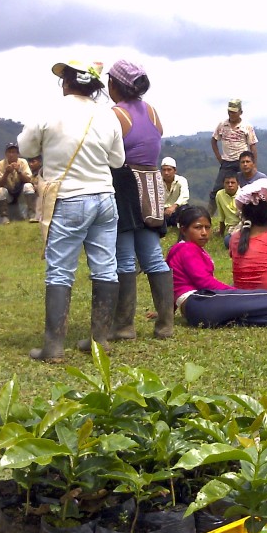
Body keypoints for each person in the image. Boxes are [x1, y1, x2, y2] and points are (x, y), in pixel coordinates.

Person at [18, 59, 125, 362]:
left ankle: (53, 347)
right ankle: (99, 341)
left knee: (60, 272)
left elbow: (25, 148)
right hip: (104, 198)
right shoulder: (108, 116)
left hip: (68, 200)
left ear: (66, 83)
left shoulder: (49, 112)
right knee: (105, 266)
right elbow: (117, 161)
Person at [88, 59, 174, 346]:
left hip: (124, 185)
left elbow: (107, 152)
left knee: (124, 256)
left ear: (114, 84)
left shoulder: (115, 115)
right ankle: (165, 323)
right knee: (153, 256)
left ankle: (124, 325)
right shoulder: (152, 111)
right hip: (152, 185)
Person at [209, 99, 257, 213]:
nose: (231, 114)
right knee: (217, 190)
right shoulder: (222, 125)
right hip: (227, 162)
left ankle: (249, 214)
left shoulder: (247, 126)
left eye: (234, 112)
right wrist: (219, 158)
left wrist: (253, 165)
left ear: (240, 112)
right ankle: (208, 217)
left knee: (247, 189)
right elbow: (214, 140)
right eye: (230, 111)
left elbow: (253, 146)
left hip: (243, 161)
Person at [0, 143, 36, 223]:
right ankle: (4, 217)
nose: (11, 155)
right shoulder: (0, 164)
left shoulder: (23, 162)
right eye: (9, 152)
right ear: (6, 154)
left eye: (14, 152)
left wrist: (19, 171)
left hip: (21, 192)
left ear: (18, 154)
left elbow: (29, 180)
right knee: (0, 191)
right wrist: (6, 173)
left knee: (28, 186)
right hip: (8, 193)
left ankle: (32, 214)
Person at [214, 173, 240, 249]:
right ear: (223, 184)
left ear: (238, 184)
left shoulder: (243, 194)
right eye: (227, 183)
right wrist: (221, 232)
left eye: (233, 182)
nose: (230, 185)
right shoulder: (220, 195)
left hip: (243, 224)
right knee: (227, 242)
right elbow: (221, 216)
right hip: (232, 227)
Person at [161, 156, 189, 227]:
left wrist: (174, 206)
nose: (166, 173)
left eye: (169, 170)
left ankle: (182, 227)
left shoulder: (181, 180)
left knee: (185, 210)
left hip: (177, 209)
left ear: (175, 170)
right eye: (164, 170)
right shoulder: (157, 182)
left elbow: (185, 195)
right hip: (163, 211)